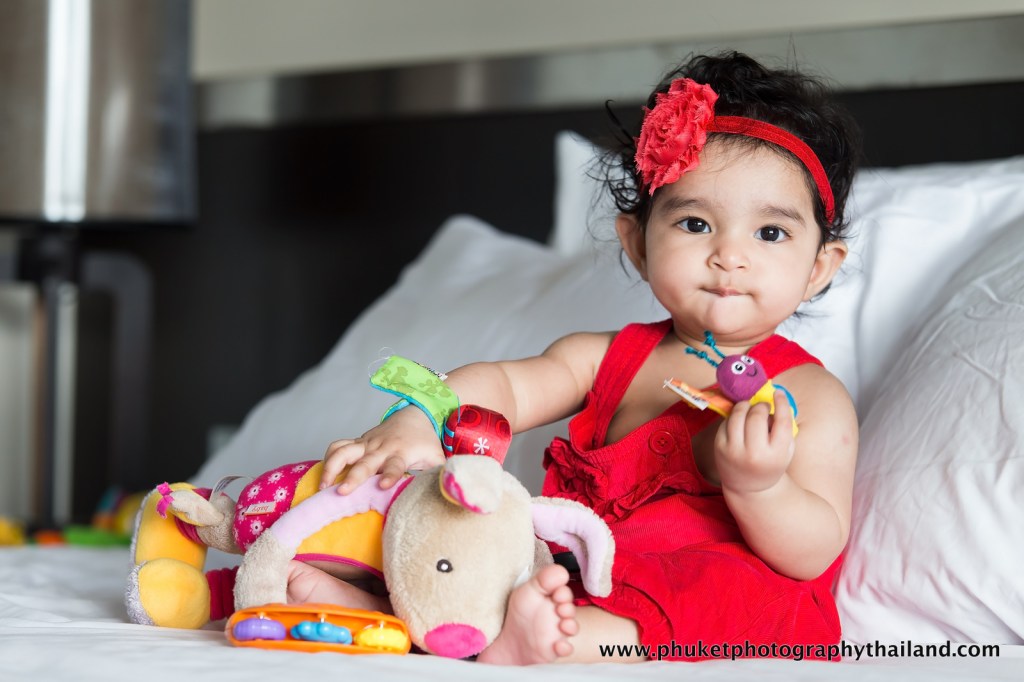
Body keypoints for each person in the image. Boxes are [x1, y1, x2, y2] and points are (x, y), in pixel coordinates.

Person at [315, 51, 861, 664]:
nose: (728, 256)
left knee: (739, 599)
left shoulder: (809, 395)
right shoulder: (603, 359)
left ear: (819, 268)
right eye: (695, 223)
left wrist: (759, 487)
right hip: (578, 572)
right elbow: (506, 387)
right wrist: (417, 421)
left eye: (770, 234)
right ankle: (392, 610)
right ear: (637, 243)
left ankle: (564, 644)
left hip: (712, 586)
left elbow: (813, 551)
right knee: (469, 535)